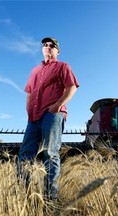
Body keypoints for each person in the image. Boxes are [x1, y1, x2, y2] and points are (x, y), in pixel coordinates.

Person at [17, 37, 79, 201]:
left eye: (52, 46)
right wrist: (28, 112)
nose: (48, 47)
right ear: (42, 49)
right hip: (33, 117)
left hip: (52, 114)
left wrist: (58, 105)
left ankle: (50, 199)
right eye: (45, 45)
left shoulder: (62, 66)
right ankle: (25, 196)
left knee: (50, 153)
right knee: (25, 154)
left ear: (57, 51)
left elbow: (72, 87)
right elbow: (29, 93)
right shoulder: (35, 70)